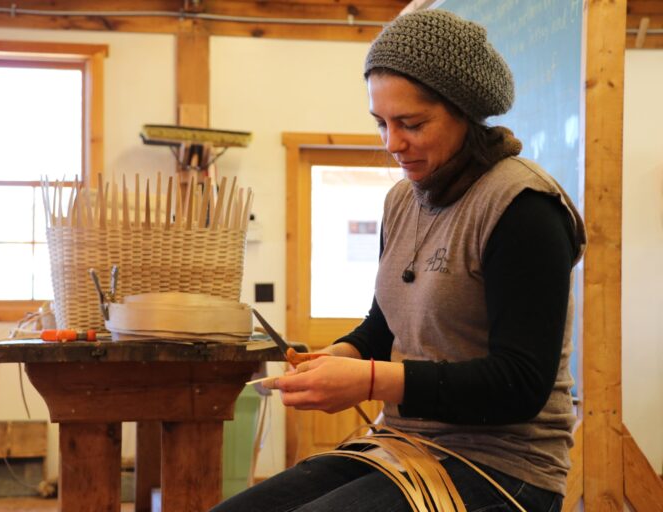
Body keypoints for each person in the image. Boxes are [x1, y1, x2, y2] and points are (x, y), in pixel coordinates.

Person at [212, 9, 585, 512]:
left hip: (504, 467)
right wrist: (339, 357)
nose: (392, 143)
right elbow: (384, 327)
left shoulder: (523, 208)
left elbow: (519, 384)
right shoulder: (403, 201)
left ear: (465, 112)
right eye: (382, 123)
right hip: (406, 447)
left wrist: (366, 380)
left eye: (411, 124)